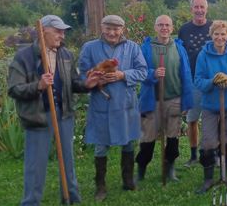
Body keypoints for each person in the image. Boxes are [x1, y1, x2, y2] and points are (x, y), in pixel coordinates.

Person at [8, 15, 95, 205]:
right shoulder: (24, 57)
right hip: (38, 116)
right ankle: (31, 202)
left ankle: (71, 198)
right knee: (35, 164)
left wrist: (87, 84)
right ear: (43, 31)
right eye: (58, 31)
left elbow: (73, 83)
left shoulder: (66, 55)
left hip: (63, 114)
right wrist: (38, 85)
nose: (62, 35)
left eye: (63, 31)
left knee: (68, 160)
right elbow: (14, 89)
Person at [78, 15, 147, 201]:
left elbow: (143, 71)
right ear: (102, 27)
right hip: (102, 103)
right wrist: (93, 79)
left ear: (122, 29)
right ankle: (100, 185)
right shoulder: (90, 47)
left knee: (128, 142)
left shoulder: (132, 47)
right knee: (101, 145)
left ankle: (128, 180)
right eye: (108, 28)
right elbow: (81, 72)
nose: (112, 32)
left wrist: (123, 74)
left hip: (125, 103)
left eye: (116, 28)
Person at [136, 15, 194, 182]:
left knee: (173, 137)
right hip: (152, 100)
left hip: (174, 98)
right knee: (148, 137)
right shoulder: (146, 48)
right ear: (155, 27)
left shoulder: (178, 48)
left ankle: (170, 168)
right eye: (160, 25)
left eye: (167, 25)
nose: (164, 28)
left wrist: (186, 100)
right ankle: (141, 169)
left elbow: (186, 74)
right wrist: (152, 74)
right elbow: (139, 71)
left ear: (172, 28)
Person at [193, 20, 227, 194]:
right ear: (211, 35)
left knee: (226, 142)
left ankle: (224, 176)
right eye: (216, 34)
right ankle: (208, 180)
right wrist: (213, 81)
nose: (220, 37)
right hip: (210, 106)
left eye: (223, 34)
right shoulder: (203, 55)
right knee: (208, 143)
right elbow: (198, 81)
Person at [178, 0, 213, 167]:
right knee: (192, 120)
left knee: (212, 119)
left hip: (211, 80)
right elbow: (180, 56)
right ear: (191, 9)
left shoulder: (214, 28)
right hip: (192, 81)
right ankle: (193, 155)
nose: (199, 10)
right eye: (196, 7)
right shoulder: (184, 30)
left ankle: (209, 152)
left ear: (207, 8)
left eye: (202, 7)